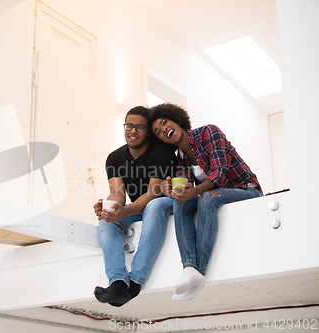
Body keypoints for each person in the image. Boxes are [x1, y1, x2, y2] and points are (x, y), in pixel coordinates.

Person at [149, 103, 262, 301]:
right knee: (179, 203)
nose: (163, 129)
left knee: (207, 196)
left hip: (247, 190)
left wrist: (195, 191)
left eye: (165, 122)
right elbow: (185, 189)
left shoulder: (209, 132)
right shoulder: (181, 158)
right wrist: (171, 191)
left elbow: (220, 175)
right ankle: (188, 267)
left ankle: (199, 273)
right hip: (217, 194)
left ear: (177, 119)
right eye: (158, 131)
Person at [93, 106, 176, 307]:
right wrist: (108, 207)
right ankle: (118, 282)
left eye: (139, 127)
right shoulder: (114, 158)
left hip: (166, 202)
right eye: (129, 126)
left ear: (148, 131)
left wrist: (127, 210)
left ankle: (135, 282)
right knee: (107, 221)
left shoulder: (162, 151)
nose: (133, 131)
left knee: (154, 206)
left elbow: (153, 192)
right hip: (139, 209)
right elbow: (118, 194)